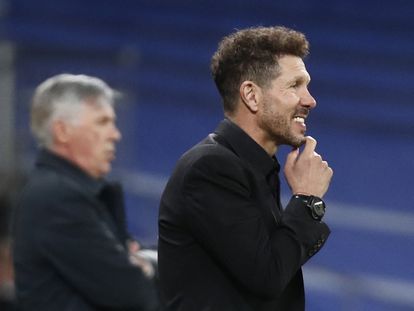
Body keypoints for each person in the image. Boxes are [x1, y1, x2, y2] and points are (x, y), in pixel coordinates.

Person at [158, 26, 333, 311]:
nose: (310, 100)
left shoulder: (257, 169)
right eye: (294, 85)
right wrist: (307, 200)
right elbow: (267, 276)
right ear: (251, 95)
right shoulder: (210, 169)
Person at [13, 74, 160, 311]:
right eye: (102, 122)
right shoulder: (58, 198)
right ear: (62, 132)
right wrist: (137, 268)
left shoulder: (69, 192)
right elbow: (133, 293)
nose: (115, 134)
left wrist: (139, 263)